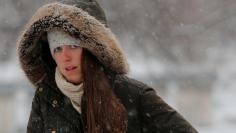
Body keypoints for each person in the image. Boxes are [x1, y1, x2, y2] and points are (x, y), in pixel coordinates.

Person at [17, 0, 198, 133]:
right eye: (57, 48)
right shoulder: (46, 98)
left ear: (92, 49)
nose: (65, 57)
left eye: (73, 46)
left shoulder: (132, 94)